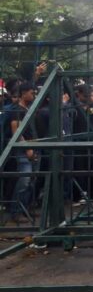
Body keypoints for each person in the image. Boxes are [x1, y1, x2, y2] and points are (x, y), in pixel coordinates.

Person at [5, 82, 38, 223]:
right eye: (32, 92)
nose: (34, 95)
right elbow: (16, 132)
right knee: (24, 181)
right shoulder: (17, 110)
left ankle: (25, 209)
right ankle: (16, 211)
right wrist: (27, 148)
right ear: (24, 93)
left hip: (32, 147)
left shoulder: (28, 108)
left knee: (30, 181)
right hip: (24, 150)